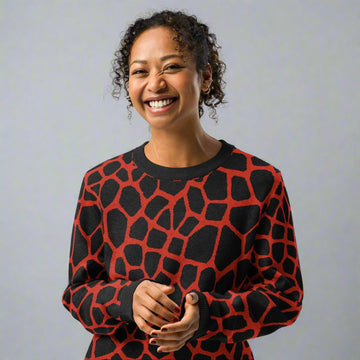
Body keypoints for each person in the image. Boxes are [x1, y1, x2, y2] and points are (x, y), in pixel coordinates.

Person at [62, 10, 303, 360]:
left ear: (205, 77)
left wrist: (207, 315)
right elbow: (79, 292)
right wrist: (127, 299)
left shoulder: (257, 181)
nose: (155, 83)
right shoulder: (103, 183)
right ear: (127, 83)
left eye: (171, 67)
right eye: (140, 71)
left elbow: (284, 295)